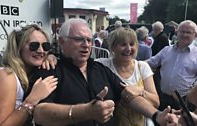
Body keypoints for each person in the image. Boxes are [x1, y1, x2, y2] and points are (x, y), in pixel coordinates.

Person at [31, 18, 171, 126]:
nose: (86, 45)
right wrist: (86, 111)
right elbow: (39, 113)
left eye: (88, 40)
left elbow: (128, 94)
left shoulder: (100, 69)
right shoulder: (49, 70)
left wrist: (156, 115)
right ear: (62, 42)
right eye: (79, 40)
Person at [0, 24, 58, 126]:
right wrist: (32, 100)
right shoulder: (5, 76)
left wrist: (50, 58)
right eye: (34, 45)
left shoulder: (28, 73)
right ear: (18, 47)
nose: (41, 51)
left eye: (45, 46)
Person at [96, 27, 159, 126]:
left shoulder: (142, 67)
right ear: (112, 47)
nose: (128, 49)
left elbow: (156, 102)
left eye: (132, 44)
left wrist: (140, 91)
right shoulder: (102, 65)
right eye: (123, 44)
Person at [147, 20, 197, 111]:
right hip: (163, 98)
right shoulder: (166, 50)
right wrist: (132, 63)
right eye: (182, 31)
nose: (184, 35)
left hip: (185, 101)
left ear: (194, 35)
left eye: (188, 32)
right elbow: (150, 62)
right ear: (177, 32)